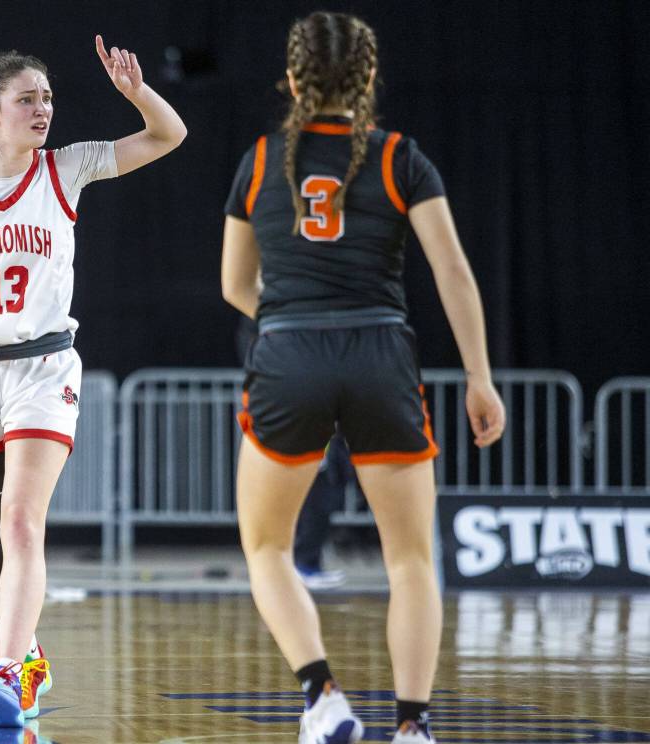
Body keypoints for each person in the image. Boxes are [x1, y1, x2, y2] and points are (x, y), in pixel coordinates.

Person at [0, 37, 185, 728]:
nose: (42, 109)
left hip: (44, 368)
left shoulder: (66, 169)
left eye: (47, 98)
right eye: (27, 100)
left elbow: (169, 135)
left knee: (22, 520)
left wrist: (135, 91)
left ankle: (10, 673)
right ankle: (30, 659)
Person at [220, 12, 505, 744]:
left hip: (289, 355)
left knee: (267, 549)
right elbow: (453, 271)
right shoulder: (399, 158)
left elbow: (234, 284)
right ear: (371, 79)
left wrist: (291, 320)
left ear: (290, 81)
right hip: (380, 355)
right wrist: (479, 377)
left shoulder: (259, 160)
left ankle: (322, 698)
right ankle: (413, 727)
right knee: (411, 558)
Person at [237, 315, 351, 590]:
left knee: (324, 488)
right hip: (288, 407)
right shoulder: (270, 322)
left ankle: (304, 563)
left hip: (317, 409)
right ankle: (294, 566)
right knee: (290, 498)